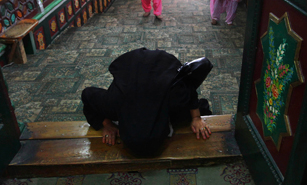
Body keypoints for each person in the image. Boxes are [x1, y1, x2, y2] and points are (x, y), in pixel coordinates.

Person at [81, 48, 213, 157]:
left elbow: (188, 86)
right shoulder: (114, 102)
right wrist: (107, 123)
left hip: (162, 63)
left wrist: (196, 117)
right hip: (132, 68)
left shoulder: (173, 98)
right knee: (189, 113)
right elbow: (87, 95)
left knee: (196, 109)